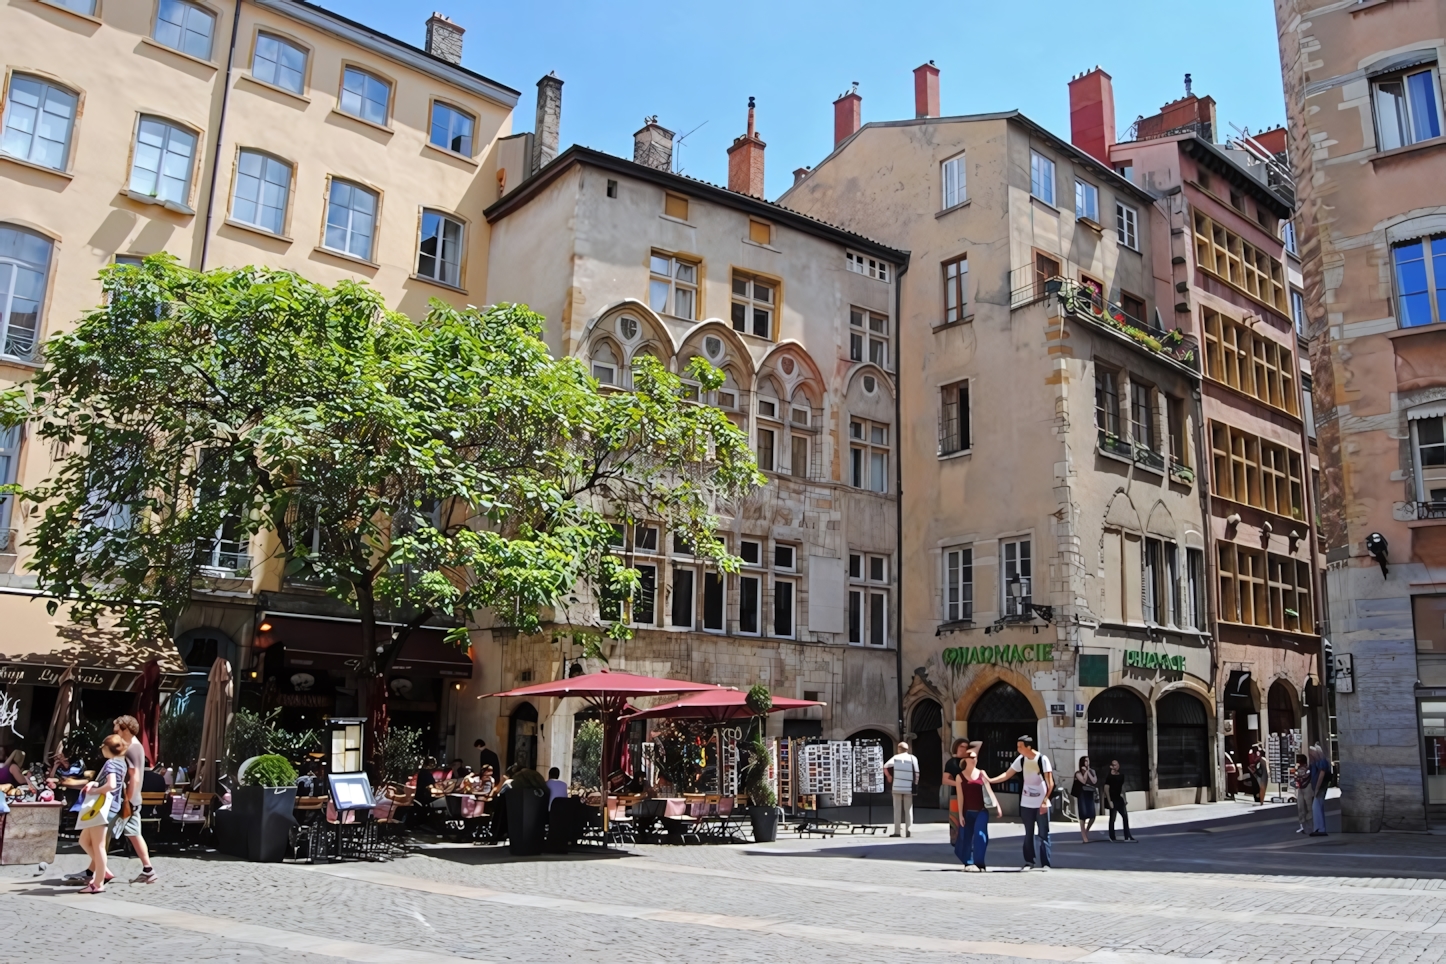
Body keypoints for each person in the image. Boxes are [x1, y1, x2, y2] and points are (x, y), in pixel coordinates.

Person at [67, 734, 128, 892]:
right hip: (111, 807)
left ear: (108, 749)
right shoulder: (121, 763)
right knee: (84, 841)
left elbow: (111, 785)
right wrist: (96, 783)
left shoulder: (111, 763)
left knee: (98, 846)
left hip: (102, 807)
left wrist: (95, 790)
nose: (101, 749)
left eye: (103, 746)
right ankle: (104, 872)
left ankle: (98, 883)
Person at [989, 734, 1053, 870]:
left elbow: (1050, 783)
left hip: (1040, 802)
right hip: (1026, 803)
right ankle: (1029, 862)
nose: (1018, 749)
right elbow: (1007, 774)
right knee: (1028, 833)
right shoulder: (1021, 760)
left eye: (1020, 747)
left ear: (1028, 747)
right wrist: (990, 780)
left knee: (1043, 834)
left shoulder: (1042, 759)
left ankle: (1046, 863)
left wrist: (1044, 801)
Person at [111, 715, 157, 884]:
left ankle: (93, 872)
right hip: (132, 801)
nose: (115, 733)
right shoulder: (136, 746)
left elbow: (134, 776)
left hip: (127, 801)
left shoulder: (131, 748)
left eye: (117, 730)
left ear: (126, 730)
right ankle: (148, 870)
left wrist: (127, 800)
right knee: (134, 834)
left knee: (101, 833)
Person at [953, 748, 1001, 872]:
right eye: (972, 757)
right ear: (966, 759)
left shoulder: (982, 773)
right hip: (967, 812)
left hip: (982, 810)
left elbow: (989, 790)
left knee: (980, 835)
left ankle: (980, 863)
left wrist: (998, 806)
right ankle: (968, 862)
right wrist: (960, 815)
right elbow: (960, 797)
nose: (974, 759)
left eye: (975, 757)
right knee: (966, 837)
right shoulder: (959, 777)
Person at [883, 740, 920, 838]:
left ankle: (897, 832)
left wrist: (889, 776)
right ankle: (908, 830)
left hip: (897, 786)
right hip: (908, 787)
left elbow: (885, 766)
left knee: (897, 809)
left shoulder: (896, 757)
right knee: (908, 809)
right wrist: (915, 784)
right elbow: (917, 772)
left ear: (899, 749)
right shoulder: (913, 758)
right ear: (908, 749)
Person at [943, 738, 969, 846]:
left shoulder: (969, 762)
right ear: (956, 747)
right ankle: (955, 840)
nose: (964, 749)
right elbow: (945, 779)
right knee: (954, 820)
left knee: (967, 819)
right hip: (955, 795)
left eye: (966, 747)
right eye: (961, 746)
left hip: (969, 795)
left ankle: (967, 840)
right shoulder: (951, 763)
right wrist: (959, 784)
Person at [1102, 759, 1136, 841]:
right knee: (1112, 818)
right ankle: (1112, 837)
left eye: (1117, 764)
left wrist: (1125, 798)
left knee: (1125, 817)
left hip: (1119, 799)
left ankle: (1127, 835)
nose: (1116, 766)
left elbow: (1122, 788)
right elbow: (1106, 789)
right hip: (1112, 799)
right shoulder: (1109, 777)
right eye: (1114, 765)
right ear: (1111, 766)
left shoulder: (1121, 776)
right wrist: (1109, 801)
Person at [1071, 755, 1099, 843]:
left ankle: (1086, 831)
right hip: (1082, 794)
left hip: (1089, 794)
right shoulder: (1078, 773)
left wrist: (1088, 771)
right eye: (1086, 761)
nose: (1088, 762)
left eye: (1088, 760)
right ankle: (1084, 837)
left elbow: (1094, 781)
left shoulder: (1092, 771)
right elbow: (1083, 781)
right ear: (1082, 763)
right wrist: (1086, 772)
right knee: (1083, 816)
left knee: (1092, 816)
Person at [1308, 744, 1330, 836]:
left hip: (1320, 788)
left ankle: (1320, 828)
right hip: (1318, 787)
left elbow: (1321, 775)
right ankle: (1318, 828)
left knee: (1316, 807)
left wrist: (1316, 788)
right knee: (1317, 807)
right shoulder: (1315, 762)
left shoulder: (1321, 762)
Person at [1292, 752, 1312, 833]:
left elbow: (1304, 778)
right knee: (1301, 806)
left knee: (1308, 806)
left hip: (1306, 787)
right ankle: (1302, 825)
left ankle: (1308, 824)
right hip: (1300, 788)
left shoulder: (1307, 769)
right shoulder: (1298, 769)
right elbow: (1296, 778)